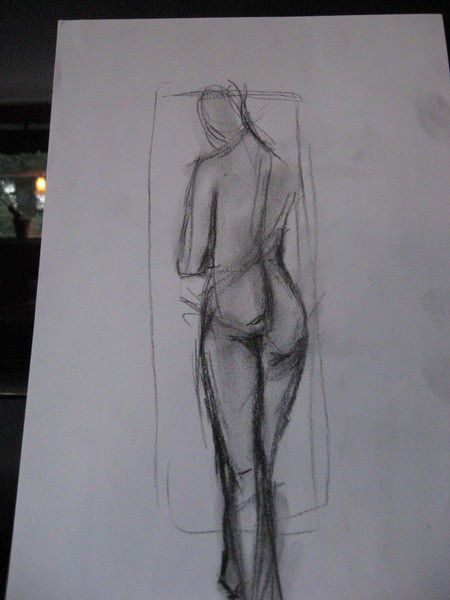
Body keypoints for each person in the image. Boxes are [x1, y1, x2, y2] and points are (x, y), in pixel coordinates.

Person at [176, 84, 308, 600]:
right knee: (265, 462)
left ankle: (257, 594)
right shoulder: (280, 166)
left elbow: (189, 261)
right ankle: (242, 575)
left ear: (215, 123)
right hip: (286, 315)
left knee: (244, 470)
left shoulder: (210, 170)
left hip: (235, 314)